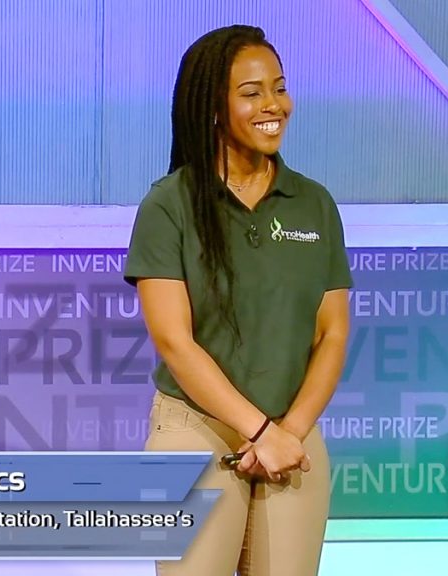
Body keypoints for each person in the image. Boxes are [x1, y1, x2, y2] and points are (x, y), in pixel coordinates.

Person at [124, 25, 352, 576]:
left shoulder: (313, 204)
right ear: (212, 108)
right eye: (251, 93)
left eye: (279, 87)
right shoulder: (170, 204)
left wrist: (288, 432)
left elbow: (333, 333)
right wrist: (257, 431)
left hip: (292, 435)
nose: (273, 105)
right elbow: (175, 343)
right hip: (195, 427)